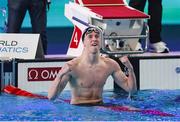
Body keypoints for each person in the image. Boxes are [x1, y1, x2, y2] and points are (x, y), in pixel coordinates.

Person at [48, 26, 137, 105]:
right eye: (90, 36)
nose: (94, 39)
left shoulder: (110, 65)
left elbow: (131, 89)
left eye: (97, 36)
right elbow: (51, 97)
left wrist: (130, 68)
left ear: (101, 42)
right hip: (78, 110)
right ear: (84, 42)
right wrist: (59, 75)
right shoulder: (72, 66)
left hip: (100, 107)